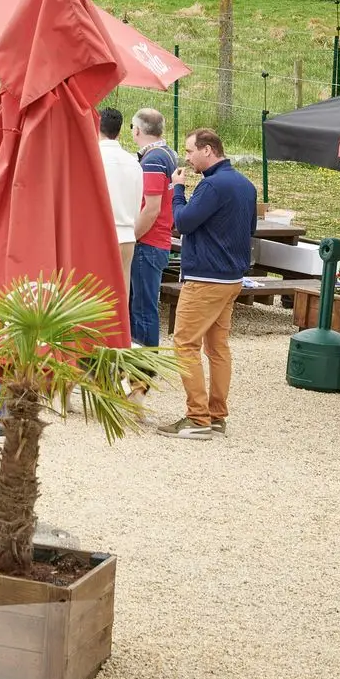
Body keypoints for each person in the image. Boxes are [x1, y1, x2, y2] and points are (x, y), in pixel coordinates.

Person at [161, 128, 257, 440]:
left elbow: (183, 222)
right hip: (231, 278)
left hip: (205, 278)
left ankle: (197, 418)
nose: (187, 159)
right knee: (217, 348)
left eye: (189, 152)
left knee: (185, 343)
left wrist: (177, 190)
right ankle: (216, 415)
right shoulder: (245, 185)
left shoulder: (212, 186)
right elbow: (250, 227)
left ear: (207, 150)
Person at [128, 107, 176, 348]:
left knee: (142, 307)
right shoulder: (167, 154)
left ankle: (143, 364)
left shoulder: (153, 160)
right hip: (159, 239)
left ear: (137, 130)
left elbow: (151, 207)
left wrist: (132, 236)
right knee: (143, 303)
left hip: (148, 241)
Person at [98, 107, 145, 290]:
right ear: (119, 131)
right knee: (120, 294)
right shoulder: (133, 162)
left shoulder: (92, 157)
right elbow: (137, 203)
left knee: (95, 297)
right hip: (127, 235)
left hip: (100, 235)